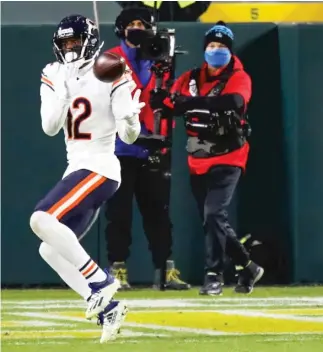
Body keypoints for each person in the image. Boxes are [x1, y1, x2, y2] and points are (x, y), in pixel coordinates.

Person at [31, 14, 144, 343]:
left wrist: (132, 121)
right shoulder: (53, 73)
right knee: (49, 250)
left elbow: (130, 134)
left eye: (75, 41)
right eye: (65, 43)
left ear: (90, 40)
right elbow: (50, 127)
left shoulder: (111, 67)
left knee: (40, 218)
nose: (70, 48)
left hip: (101, 167)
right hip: (76, 169)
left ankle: (101, 280)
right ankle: (107, 309)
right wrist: (64, 93)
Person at [150, 21, 264, 296]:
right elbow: (170, 104)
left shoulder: (239, 76)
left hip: (230, 154)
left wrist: (190, 103)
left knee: (214, 213)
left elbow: (234, 101)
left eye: (222, 46)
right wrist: (160, 98)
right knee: (212, 219)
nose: (216, 50)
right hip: (198, 155)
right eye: (212, 45)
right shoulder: (189, 77)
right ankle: (247, 266)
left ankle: (213, 274)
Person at [104, 7, 190, 291]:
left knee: (159, 213)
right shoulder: (111, 59)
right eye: (133, 24)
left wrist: (167, 95)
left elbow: (172, 103)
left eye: (143, 24)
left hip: (153, 146)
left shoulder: (160, 57)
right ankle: (118, 268)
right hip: (120, 148)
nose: (138, 29)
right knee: (119, 214)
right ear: (122, 29)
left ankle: (166, 269)